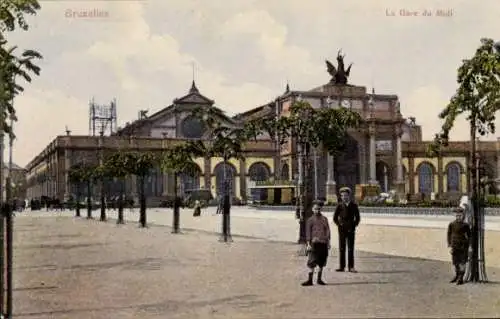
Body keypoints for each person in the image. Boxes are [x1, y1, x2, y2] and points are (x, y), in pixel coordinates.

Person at [301, 202, 331, 286]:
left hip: (323, 243)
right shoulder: (310, 220)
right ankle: (310, 280)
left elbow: (327, 230)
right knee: (312, 261)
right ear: (312, 209)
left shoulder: (324, 219)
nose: (317, 210)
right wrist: (308, 244)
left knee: (322, 261)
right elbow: (308, 232)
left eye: (319, 209)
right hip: (313, 243)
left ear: (321, 209)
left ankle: (319, 279)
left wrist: (328, 242)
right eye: (315, 209)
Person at [333, 187, 360, 273]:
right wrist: (339, 225)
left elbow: (358, 218)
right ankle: (341, 266)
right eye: (342, 195)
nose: (344, 197)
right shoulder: (339, 205)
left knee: (350, 248)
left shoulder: (354, 205)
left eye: (346, 195)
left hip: (351, 229)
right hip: (342, 230)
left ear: (349, 196)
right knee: (342, 248)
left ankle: (351, 267)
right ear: (341, 197)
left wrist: (354, 225)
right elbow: (335, 218)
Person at [447, 207, 471, 285]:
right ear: (455, 215)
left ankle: (461, 278)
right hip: (454, 246)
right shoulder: (452, 224)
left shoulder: (465, 225)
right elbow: (449, 235)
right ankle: (456, 276)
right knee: (455, 262)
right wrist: (450, 245)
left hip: (463, 246)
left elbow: (469, 236)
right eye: (457, 215)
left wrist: (470, 246)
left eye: (460, 215)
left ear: (463, 216)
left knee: (462, 262)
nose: (458, 217)